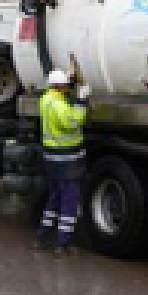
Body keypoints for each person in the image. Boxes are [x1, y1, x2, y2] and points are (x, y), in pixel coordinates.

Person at [33, 69, 91, 256]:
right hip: (67, 160)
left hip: (52, 158)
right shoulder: (58, 104)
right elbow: (72, 122)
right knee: (69, 201)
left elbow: (64, 106)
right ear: (58, 86)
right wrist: (81, 100)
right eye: (65, 85)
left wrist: (72, 81)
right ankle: (62, 244)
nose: (68, 88)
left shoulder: (46, 99)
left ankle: (42, 237)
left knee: (55, 197)